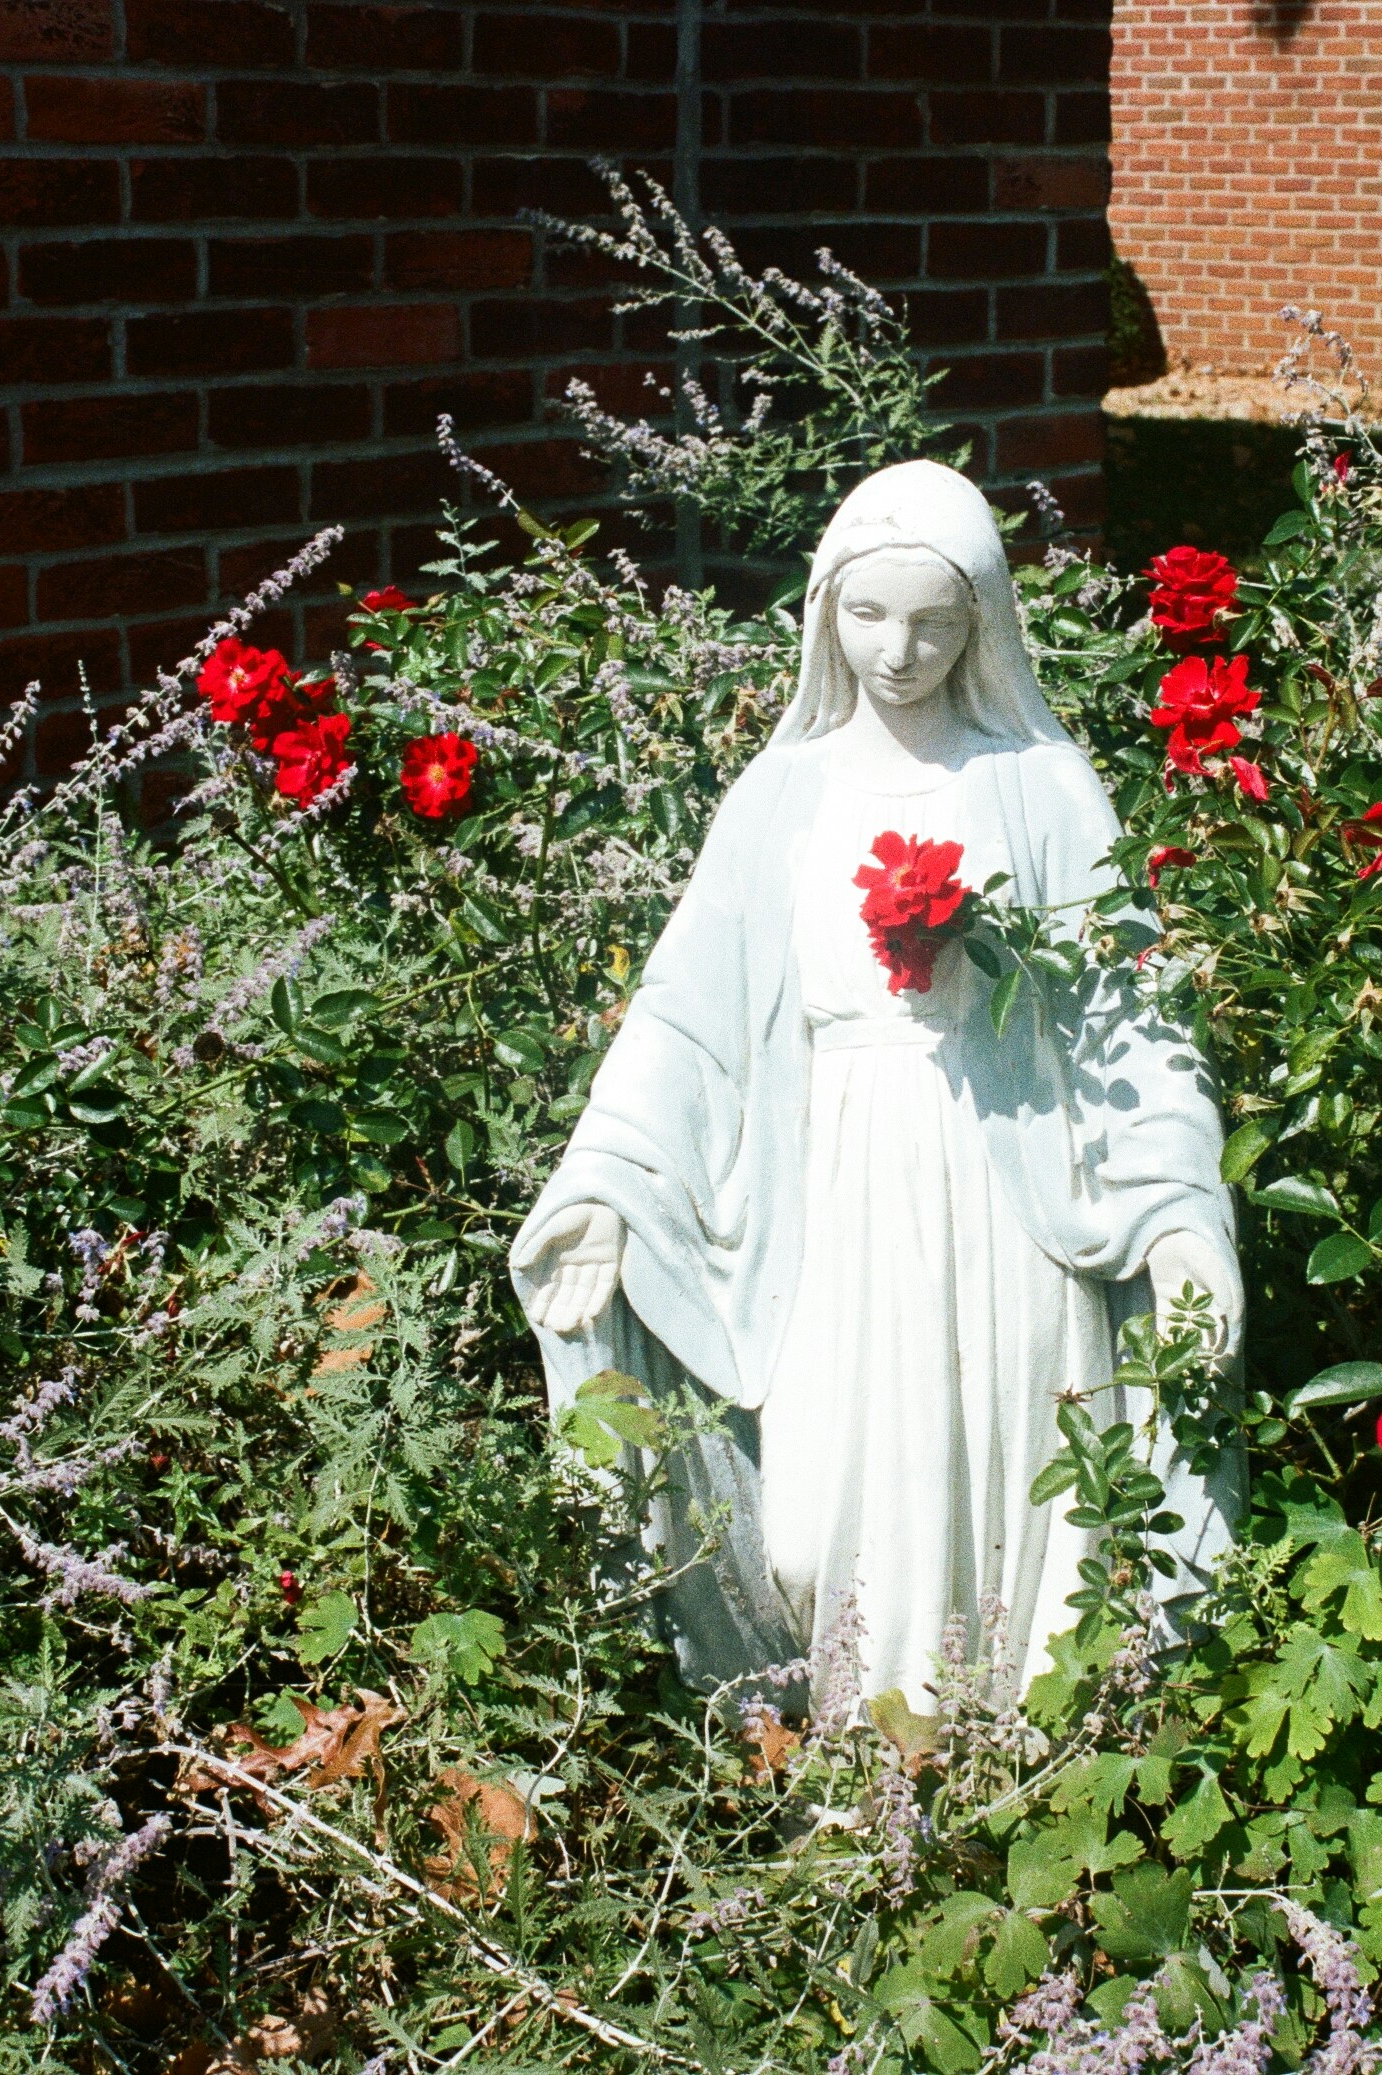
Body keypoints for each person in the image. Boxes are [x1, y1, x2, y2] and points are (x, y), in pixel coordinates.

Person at [509, 459, 1241, 1713]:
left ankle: (1000, 1790)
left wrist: (1177, 1211)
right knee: (818, 1509)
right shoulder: (782, 796)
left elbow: (1128, 1013)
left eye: (933, 621)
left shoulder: (1040, 787)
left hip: (1004, 1192)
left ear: (981, 626)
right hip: (836, 1196)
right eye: (867, 615)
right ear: (822, 612)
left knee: (1016, 1492)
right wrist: (610, 1180)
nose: (897, 650)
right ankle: (853, 1788)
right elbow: (687, 1016)